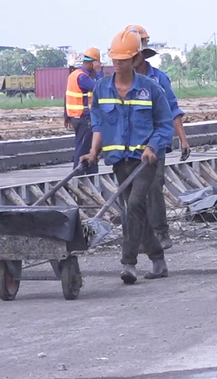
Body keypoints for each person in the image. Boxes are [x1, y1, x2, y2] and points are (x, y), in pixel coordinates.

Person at [80, 29, 173, 285]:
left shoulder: (150, 89)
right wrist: (92, 152)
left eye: (123, 60)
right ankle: (158, 259)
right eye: (115, 60)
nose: (117, 65)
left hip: (145, 159)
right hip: (118, 160)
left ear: (135, 60)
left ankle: (128, 264)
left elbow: (165, 124)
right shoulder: (101, 89)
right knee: (134, 211)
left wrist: (152, 147)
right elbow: (98, 123)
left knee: (133, 207)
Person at [127, 24, 190, 250]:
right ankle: (138, 236)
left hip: (155, 143)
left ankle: (160, 233)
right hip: (128, 146)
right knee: (132, 192)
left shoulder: (158, 80)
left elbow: (172, 110)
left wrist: (182, 139)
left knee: (154, 186)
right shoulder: (119, 82)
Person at [65, 48, 102, 174]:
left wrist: (66, 116)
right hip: (83, 118)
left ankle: (91, 175)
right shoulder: (83, 77)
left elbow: (67, 96)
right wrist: (98, 72)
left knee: (86, 148)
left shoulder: (74, 74)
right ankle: (77, 178)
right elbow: (100, 89)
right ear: (93, 64)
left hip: (75, 117)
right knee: (84, 149)